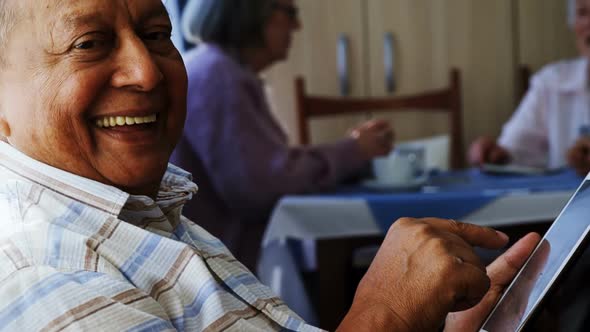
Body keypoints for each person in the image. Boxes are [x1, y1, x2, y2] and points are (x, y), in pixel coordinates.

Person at [0, 0, 540, 331]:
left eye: (157, 34)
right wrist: (387, 315)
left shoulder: (156, 215)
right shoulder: (52, 282)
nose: (146, 70)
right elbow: (260, 182)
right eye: (88, 43)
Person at [170, 0, 394, 269]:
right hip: (224, 267)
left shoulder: (218, 69)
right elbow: (262, 185)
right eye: (289, 13)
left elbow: (268, 165)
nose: (297, 26)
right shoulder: (217, 76)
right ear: (251, 12)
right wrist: (354, 150)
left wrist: (353, 149)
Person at [469, 0, 590, 175]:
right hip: (565, 201)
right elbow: (513, 150)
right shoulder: (551, 81)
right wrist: (493, 155)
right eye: (582, 13)